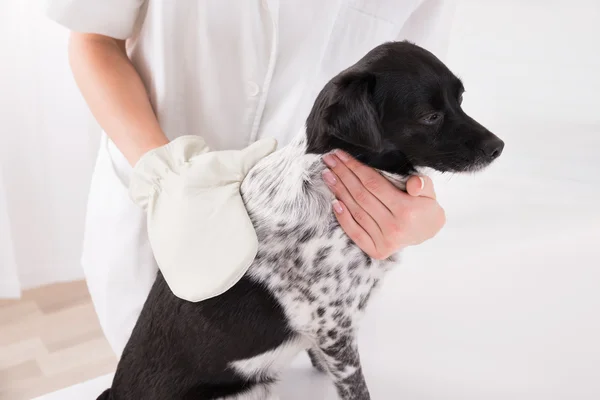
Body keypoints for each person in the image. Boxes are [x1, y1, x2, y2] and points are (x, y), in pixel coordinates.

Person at [45, 0, 453, 357]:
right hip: (156, 227)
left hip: (318, 261)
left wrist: (416, 213)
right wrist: (167, 176)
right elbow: (95, 39)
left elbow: (414, 111)